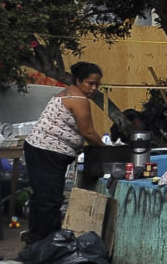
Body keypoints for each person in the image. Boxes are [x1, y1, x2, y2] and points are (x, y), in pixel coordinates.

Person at [22, 63, 106, 243]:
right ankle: (49, 244)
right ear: (78, 80)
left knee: (41, 197)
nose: (93, 88)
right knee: (49, 200)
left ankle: (37, 241)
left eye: (97, 85)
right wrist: (106, 150)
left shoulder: (66, 93)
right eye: (90, 83)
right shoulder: (79, 100)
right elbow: (88, 132)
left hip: (37, 148)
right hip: (48, 152)